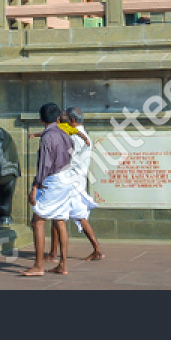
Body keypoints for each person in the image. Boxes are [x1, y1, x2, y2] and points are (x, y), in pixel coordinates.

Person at [25, 103, 75, 276]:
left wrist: (34, 187)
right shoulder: (65, 134)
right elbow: (71, 151)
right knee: (60, 221)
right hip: (66, 177)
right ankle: (63, 264)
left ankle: (39, 266)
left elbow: (44, 166)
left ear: (41, 119)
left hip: (52, 180)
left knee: (37, 221)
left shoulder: (47, 137)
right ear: (58, 118)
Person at [59, 108, 105, 261]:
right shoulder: (81, 135)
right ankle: (53, 252)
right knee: (58, 215)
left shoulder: (75, 137)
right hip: (75, 179)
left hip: (72, 181)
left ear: (71, 120)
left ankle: (97, 249)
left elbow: (66, 157)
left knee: (76, 215)